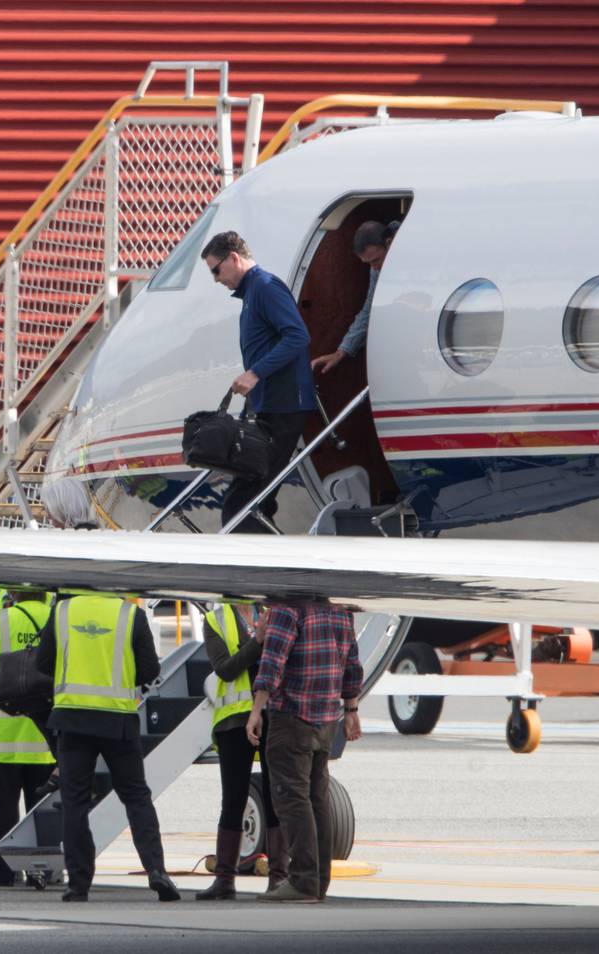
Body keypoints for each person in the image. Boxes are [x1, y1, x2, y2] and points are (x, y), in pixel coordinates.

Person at [32, 591, 179, 903]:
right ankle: (156, 870)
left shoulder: (62, 611)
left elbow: (43, 663)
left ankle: (78, 884)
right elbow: (151, 669)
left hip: (72, 719)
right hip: (118, 720)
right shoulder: (130, 614)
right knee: (136, 796)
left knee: (75, 803)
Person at [245, 599, 364, 903]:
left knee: (292, 798)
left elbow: (272, 664)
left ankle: (302, 881)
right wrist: (351, 709)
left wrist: (256, 710)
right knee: (317, 799)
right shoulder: (340, 612)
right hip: (326, 719)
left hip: (292, 716)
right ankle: (318, 881)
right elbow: (352, 662)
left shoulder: (287, 610)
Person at [200, 231, 315, 533]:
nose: (216, 279)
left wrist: (255, 373)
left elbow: (298, 336)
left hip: (283, 406)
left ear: (234, 258)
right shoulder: (252, 292)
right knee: (250, 497)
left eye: (216, 270)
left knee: (243, 503)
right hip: (268, 405)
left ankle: (261, 568)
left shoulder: (264, 286)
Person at [0, 588, 56, 887]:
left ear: (13, 594)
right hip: (46, 732)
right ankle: (46, 869)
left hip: (2, 733)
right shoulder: (58, 618)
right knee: (44, 804)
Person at [195, 602, 283, 900]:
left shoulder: (271, 612)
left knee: (275, 796)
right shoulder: (214, 620)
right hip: (234, 720)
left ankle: (279, 878)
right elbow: (226, 669)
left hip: (272, 715)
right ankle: (224, 880)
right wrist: (257, 641)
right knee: (233, 798)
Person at [310, 221, 388, 375]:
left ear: (389, 243)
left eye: (376, 260)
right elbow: (369, 310)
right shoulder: (376, 269)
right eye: (368, 263)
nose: (374, 267)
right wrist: (342, 350)